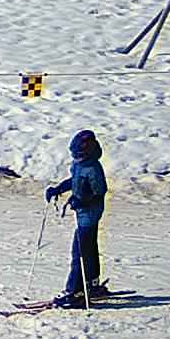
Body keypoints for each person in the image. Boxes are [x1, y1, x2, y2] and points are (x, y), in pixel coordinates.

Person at [46, 129, 109, 306]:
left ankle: (74, 292)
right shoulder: (79, 165)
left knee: (80, 253)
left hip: (89, 214)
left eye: (79, 155)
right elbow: (75, 181)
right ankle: (92, 283)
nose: (76, 158)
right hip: (83, 214)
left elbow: (99, 191)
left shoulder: (93, 168)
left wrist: (82, 201)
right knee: (89, 249)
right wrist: (58, 189)